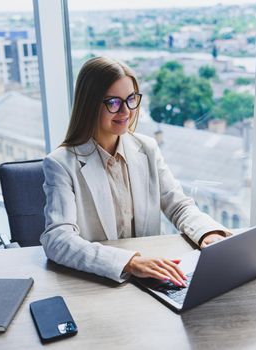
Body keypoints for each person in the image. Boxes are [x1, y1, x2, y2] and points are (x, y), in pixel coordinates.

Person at [40, 56, 230, 287]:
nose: (126, 111)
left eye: (131, 99)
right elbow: (57, 239)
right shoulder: (61, 164)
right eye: (113, 102)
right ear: (89, 104)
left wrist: (207, 233)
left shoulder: (147, 148)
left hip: (153, 276)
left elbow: (178, 205)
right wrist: (129, 262)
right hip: (100, 282)